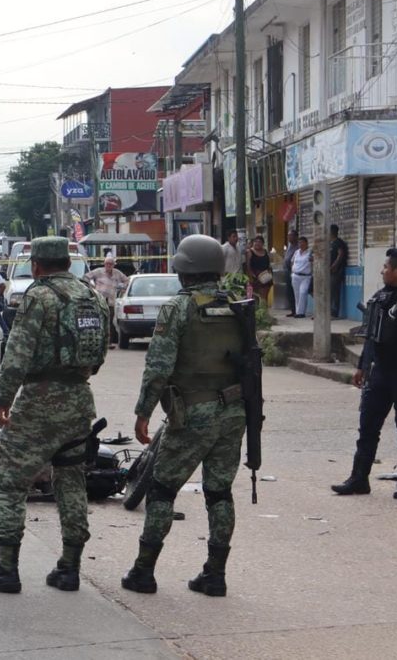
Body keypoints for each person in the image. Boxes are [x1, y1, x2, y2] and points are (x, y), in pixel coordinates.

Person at [0, 237, 108, 594]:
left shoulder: (38, 296)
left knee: (11, 483)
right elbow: (101, 351)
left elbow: (17, 354)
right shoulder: (92, 296)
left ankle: (7, 569)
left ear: (36, 265)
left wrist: (4, 398)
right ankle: (70, 568)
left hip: (38, 402)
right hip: (79, 402)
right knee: (71, 483)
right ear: (68, 262)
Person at [121, 234, 247, 597]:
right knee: (219, 492)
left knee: (162, 489)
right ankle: (215, 575)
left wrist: (143, 412)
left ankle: (143, 571)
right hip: (234, 410)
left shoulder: (178, 308)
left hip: (193, 411)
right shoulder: (237, 305)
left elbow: (158, 367)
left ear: (185, 270)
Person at [332, 248, 397, 499]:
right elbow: (372, 335)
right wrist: (362, 366)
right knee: (368, 426)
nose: (382, 271)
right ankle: (359, 479)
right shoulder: (381, 296)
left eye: (386, 267)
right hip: (380, 371)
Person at [84, 256, 129, 347]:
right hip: (99, 300)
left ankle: (108, 342)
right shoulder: (98, 271)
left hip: (111, 301)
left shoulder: (117, 273)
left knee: (109, 321)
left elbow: (127, 280)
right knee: (99, 320)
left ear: (113, 265)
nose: (109, 265)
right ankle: (98, 341)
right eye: (107, 264)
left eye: (111, 264)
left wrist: (123, 288)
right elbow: (86, 277)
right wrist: (91, 288)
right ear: (104, 264)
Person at [245, 236, 273, 304]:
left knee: (264, 298)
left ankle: (263, 309)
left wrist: (269, 272)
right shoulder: (249, 252)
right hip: (253, 278)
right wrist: (251, 277)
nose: (257, 243)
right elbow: (248, 266)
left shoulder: (265, 251)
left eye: (259, 242)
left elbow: (268, 264)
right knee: (252, 298)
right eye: (256, 241)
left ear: (263, 243)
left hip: (265, 278)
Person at [290, 237, 312, 318]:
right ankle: (298, 312)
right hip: (295, 276)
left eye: (302, 242)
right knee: (297, 295)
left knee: (303, 292)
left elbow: (314, 262)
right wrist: (292, 271)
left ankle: (301, 312)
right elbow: (292, 262)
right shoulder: (296, 252)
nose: (301, 244)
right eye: (299, 243)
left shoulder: (310, 252)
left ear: (306, 243)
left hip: (306, 276)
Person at [330, 224, 348, 319]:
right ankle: (329, 311)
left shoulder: (338, 242)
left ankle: (334, 313)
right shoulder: (330, 243)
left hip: (336, 271)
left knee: (335, 292)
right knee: (330, 291)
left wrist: (334, 265)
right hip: (330, 271)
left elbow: (340, 254)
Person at [284, 230, 299, 314]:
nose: (289, 237)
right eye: (288, 236)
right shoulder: (290, 246)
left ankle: (297, 310)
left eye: (291, 236)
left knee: (294, 291)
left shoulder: (298, 247)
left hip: (293, 271)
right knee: (289, 291)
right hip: (287, 271)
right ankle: (293, 310)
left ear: (296, 237)